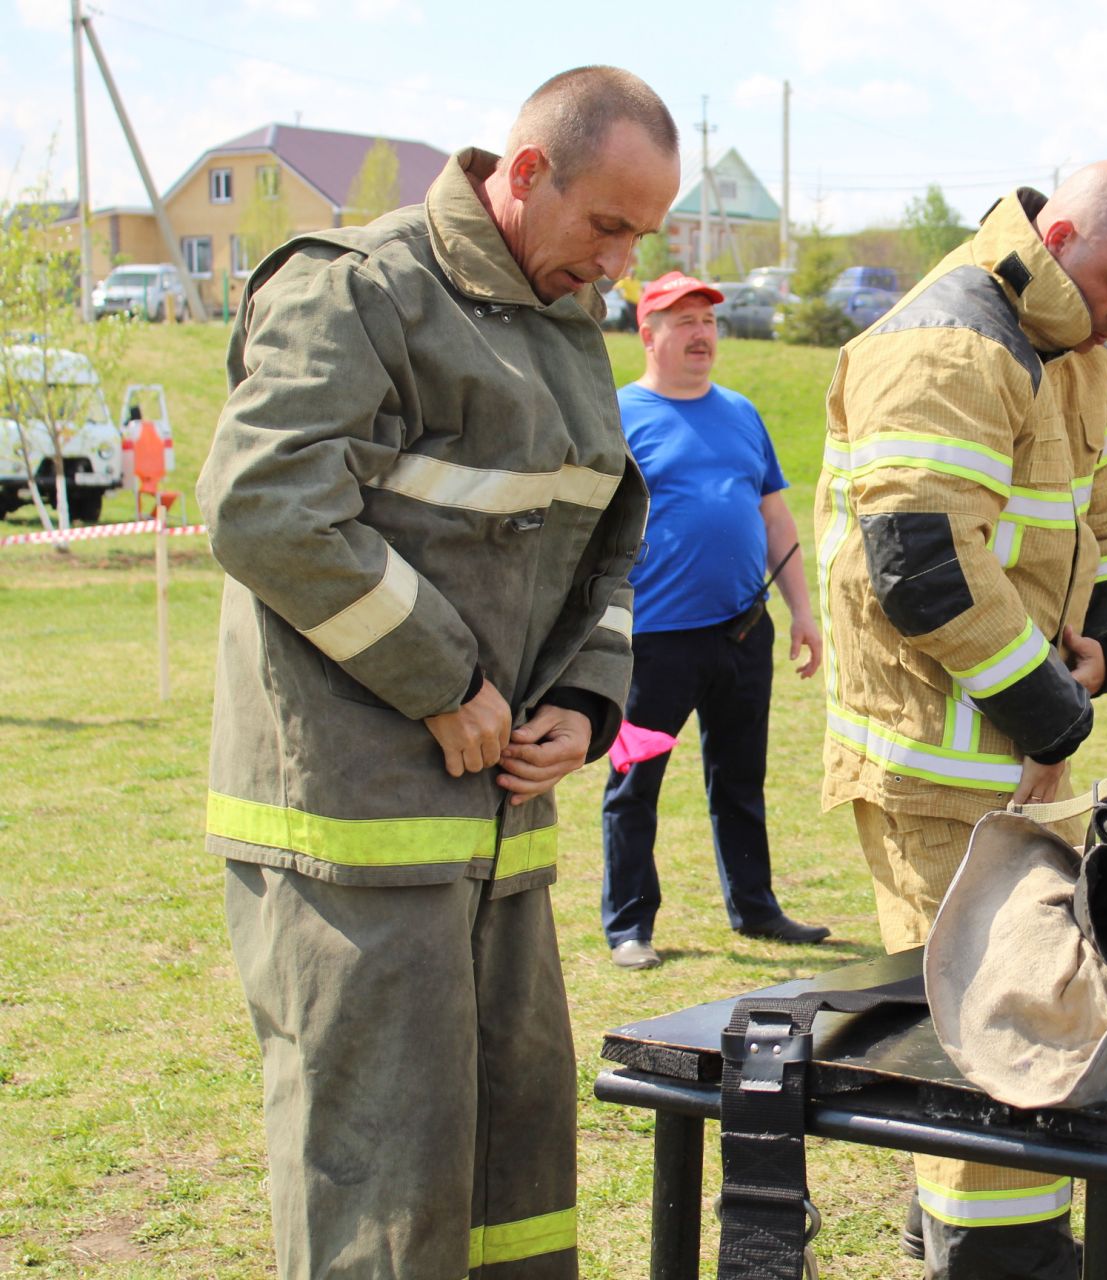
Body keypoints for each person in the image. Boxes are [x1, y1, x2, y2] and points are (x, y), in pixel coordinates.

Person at [198, 67, 678, 1278]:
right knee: (380, 1190)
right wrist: (444, 680)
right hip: (353, 838)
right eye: (607, 224)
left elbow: (601, 542)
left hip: (498, 838)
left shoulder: (563, 314)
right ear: (525, 174)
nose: (619, 262)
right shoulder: (360, 286)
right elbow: (265, 505)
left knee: (514, 1170)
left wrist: (583, 702)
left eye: (641, 234)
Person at [814, 161, 1107, 1279]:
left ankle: (981, 1240)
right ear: (1057, 234)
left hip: (1013, 756)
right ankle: (992, 1257)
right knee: (989, 1034)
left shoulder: (1072, 342)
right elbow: (922, 570)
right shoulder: (951, 344)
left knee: (1016, 1013)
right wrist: (1054, 708)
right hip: (936, 769)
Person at [600, 270, 830, 971]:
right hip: (654, 645)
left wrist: (802, 610)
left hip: (741, 634)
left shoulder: (740, 412)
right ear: (649, 333)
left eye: (710, 322)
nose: (702, 334)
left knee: (739, 778)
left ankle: (755, 909)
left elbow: (774, 514)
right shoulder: (618, 416)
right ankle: (629, 926)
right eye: (684, 321)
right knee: (634, 784)